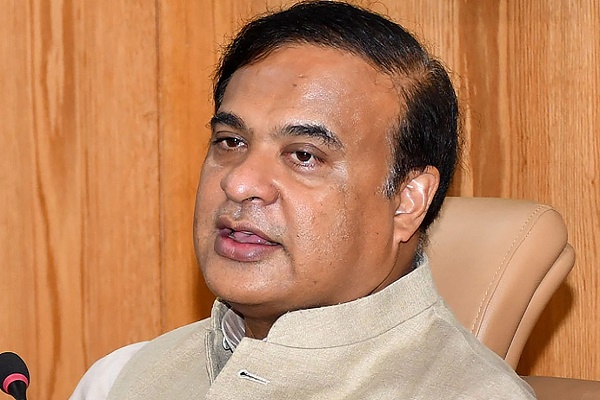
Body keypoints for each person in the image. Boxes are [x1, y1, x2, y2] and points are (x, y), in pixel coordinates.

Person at [71, 1, 536, 399]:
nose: (240, 183)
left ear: (407, 201)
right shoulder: (122, 378)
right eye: (231, 141)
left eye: (304, 156)